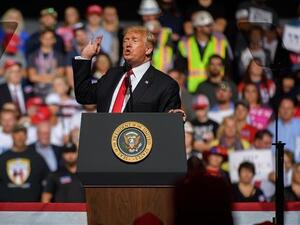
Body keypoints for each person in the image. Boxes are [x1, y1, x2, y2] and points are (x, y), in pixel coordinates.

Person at [72, 26, 181, 113]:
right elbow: (83, 95)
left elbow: (168, 124)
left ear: (148, 49)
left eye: (134, 40)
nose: (128, 44)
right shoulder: (112, 75)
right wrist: (85, 58)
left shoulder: (165, 85)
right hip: (104, 137)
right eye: (125, 40)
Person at [177, 10, 232, 93]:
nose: (211, 27)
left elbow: (228, 66)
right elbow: (180, 68)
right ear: (198, 28)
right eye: (208, 26)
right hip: (192, 89)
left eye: (211, 25)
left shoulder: (220, 43)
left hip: (216, 89)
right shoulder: (185, 43)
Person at [0, 124, 49, 202]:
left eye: (23, 134)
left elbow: (48, 182)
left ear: (26, 137)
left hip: (32, 209)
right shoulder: (3, 159)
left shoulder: (37, 158)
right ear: (12, 136)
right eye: (17, 134)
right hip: (7, 209)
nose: (20, 137)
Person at [27, 29, 65, 99]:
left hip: (54, 91)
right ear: (41, 39)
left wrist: (40, 77)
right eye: (45, 38)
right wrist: (51, 78)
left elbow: (60, 74)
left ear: (54, 40)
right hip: (37, 91)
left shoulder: (59, 56)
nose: (48, 40)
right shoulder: (32, 56)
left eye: (50, 38)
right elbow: (32, 77)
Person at [268, 97, 300, 162]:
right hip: (277, 164)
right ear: (279, 109)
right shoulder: (271, 128)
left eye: (288, 108)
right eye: (283, 108)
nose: (285, 111)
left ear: (294, 110)